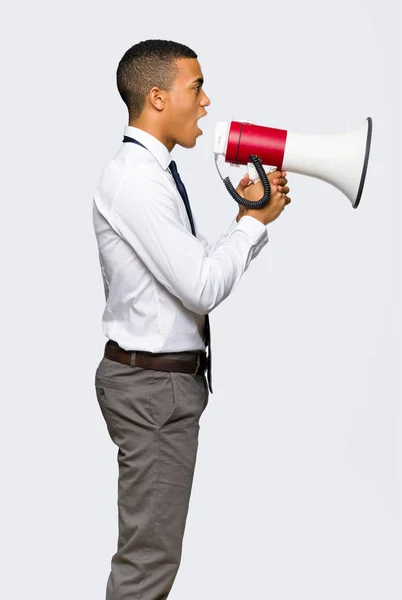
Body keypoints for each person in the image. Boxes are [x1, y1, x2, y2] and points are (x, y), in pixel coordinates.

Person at [92, 39, 291, 600]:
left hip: (159, 386)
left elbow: (193, 269)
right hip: (153, 390)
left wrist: (245, 222)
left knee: (152, 556)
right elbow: (201, 287)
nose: (206, 101)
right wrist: (253, 225)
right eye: (196, 86)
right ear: (157, 97)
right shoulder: (137, 180)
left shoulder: (151, 175)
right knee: (148, 566)